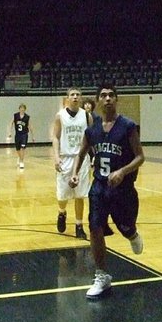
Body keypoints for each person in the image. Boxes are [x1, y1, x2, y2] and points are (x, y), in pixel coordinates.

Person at [71, 84, 145, 299]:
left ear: (116, 100)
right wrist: (75, 173)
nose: (108, 99)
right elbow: (81, 152)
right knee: (95, 227)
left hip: (123, 190)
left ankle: (131, 233)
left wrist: (122, 171)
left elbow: (140, 157)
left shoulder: (128, 126)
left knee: (125, 227)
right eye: (103, 95)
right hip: (100, 187)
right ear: (98, 101)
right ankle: (102, 275)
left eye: (112, 95)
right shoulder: (92, 130)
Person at [52, 88, 92, 240]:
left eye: (78, 95)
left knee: (80, 194)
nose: (75, 97)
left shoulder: (87, 116)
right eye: (72, 95)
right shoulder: (60, 116)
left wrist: (94, 156)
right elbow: (55, 137)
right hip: (65, 158)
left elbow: (91, 137)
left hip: (81, 158)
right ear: (67, 98)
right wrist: (56, 157)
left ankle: (79, 225)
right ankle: (62, 212)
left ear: (81, 98)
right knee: (63, 195)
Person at [7, 104, 33, 169]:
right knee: (18, 149)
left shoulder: (27, 117)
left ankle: (21, 162)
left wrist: (33, 136)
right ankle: (19, 157)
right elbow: (11, 123)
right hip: (17, 134)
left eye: (23, 108)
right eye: (21, 108)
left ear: (25, 109)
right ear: (19, 109)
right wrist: (9, 132)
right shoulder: (15, 115)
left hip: (24, 134)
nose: (22, 109)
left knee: (22, 148)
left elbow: (30, 126)